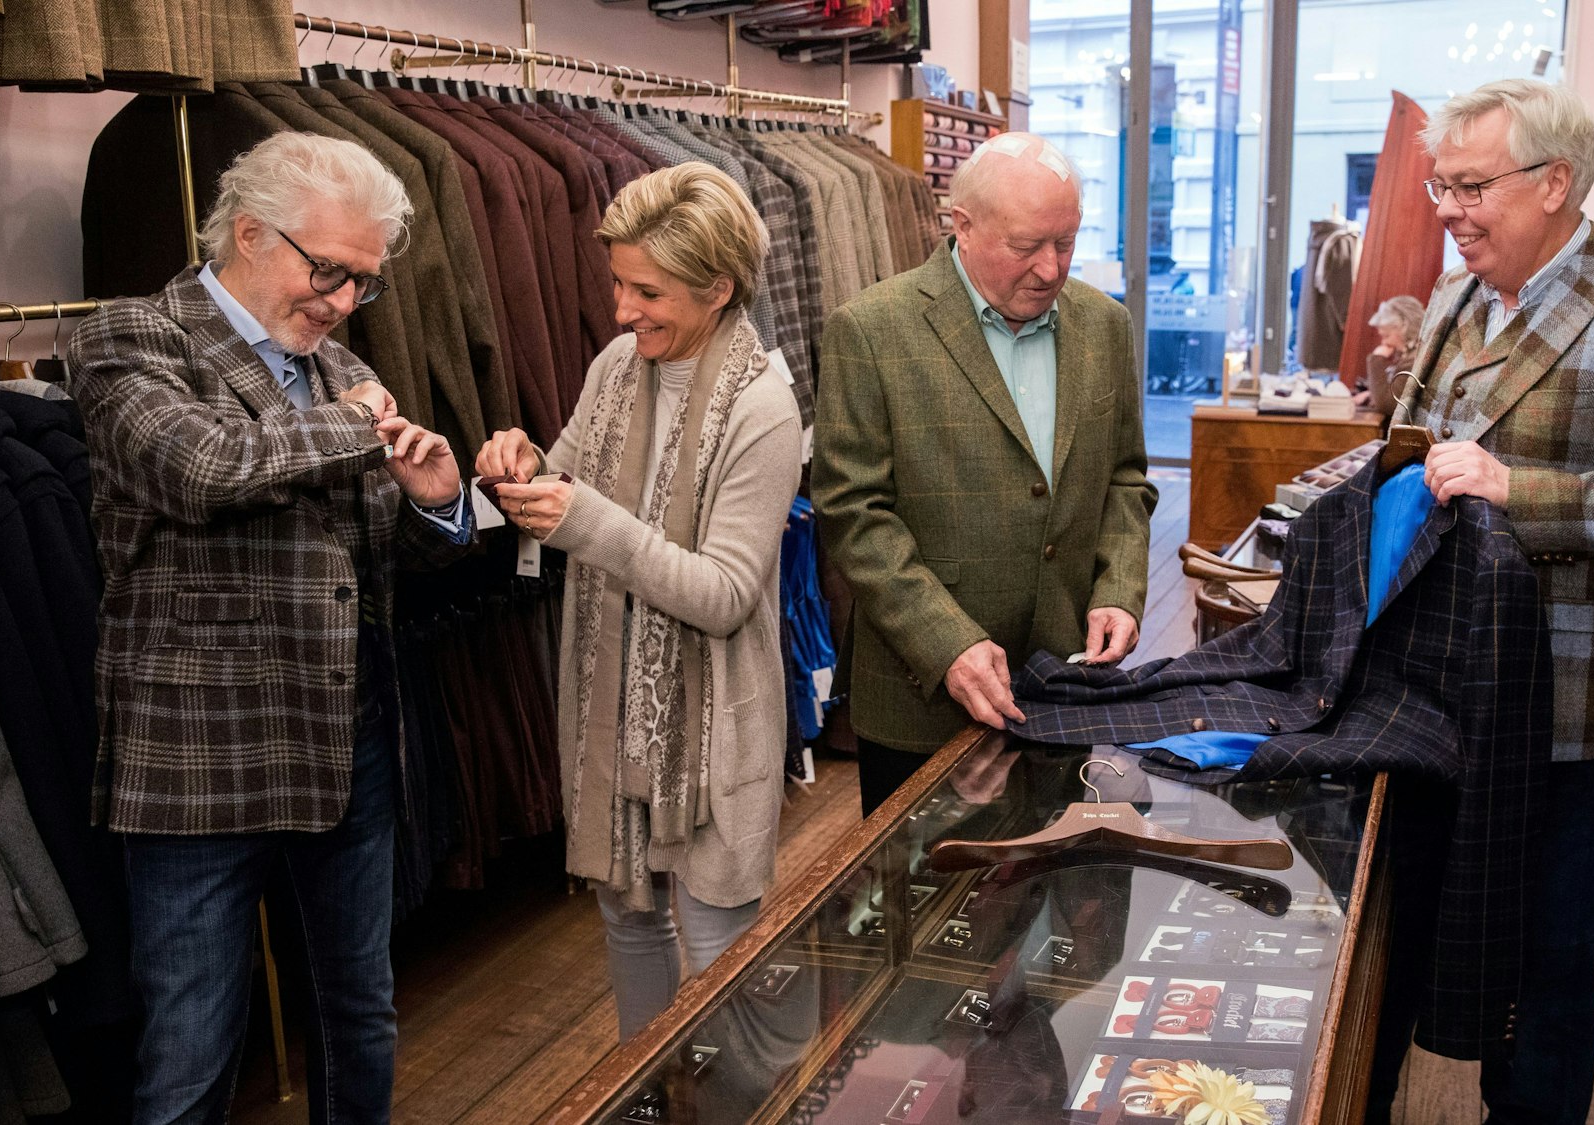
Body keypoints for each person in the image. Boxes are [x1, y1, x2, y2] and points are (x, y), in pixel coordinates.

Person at [70, 131, 474, 1123]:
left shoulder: (337, 364)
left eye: (361, 284)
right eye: (327, 270)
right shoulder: (131, 337)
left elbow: (367, 561)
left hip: (349, 742)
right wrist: (361, 425)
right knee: (192, 1049)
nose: (341, 302)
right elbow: (202, 470)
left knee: (359, 1010)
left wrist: (432, 501)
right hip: (200, 757)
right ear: (250, 233)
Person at [1373, 79, 1594, 1124]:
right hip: (1419, 686)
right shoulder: (1451, 299)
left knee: (1544, 963)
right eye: (1440, 183)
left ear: (1554, 184)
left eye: (1469, 185)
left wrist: (1516, 494)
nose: (1445, 207)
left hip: (1554, 708)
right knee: (1393, 933)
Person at [474, 163, 801, 1040]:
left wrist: (584, 519)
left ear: (718, 287)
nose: (622, 309)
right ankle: (650, 1092)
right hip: (612, 704)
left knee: (720, 947)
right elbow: (566, 472)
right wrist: (517, 471)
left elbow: (727, 594)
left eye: (647, 290)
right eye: (617, 282)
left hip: (715, 726)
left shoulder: (762, 410)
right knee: (628, 916)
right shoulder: (620, 365)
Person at [812, 132, 1157, 816]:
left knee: (1057, 894)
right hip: (921, 699)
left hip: (1064, 682)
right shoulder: (871, 331)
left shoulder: (1105, 326)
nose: (1051, 267)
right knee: (930, 906)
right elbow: (854, 513)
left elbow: (1123, 478)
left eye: (1066, 242)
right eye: (1028, 245)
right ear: (961, 225)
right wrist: (949, 642)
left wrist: (1118, 587)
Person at [1355, 294, 1425, 415]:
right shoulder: (1409, 354)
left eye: (1387, 336)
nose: (1384, 342)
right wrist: (1371, 394)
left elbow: (1387, 405)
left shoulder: (1413, 361)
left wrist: (1377, 360)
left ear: (1405, 329)